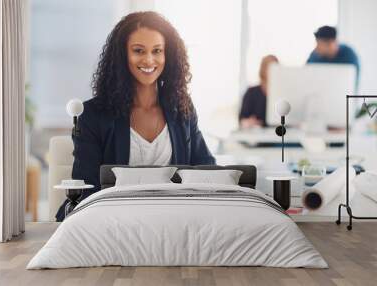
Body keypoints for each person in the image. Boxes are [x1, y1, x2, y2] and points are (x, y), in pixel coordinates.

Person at [56, 11, 215, 222]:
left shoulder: (182, 110)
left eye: (157, 51)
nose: (149, 59)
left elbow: (206, 170)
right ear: (123, 55)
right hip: (113, 221)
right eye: (138, 51)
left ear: (168, 55)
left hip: (174, 221)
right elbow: (86, 188)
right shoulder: (93, 115)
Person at [239, 55, 279, 128]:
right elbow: (242, 120)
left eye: (276, 68)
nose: (273, 71)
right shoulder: (251, 93)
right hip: (257, 137)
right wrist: (248, 122)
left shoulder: (282, 94)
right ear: (263, 69)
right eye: (270, 68)